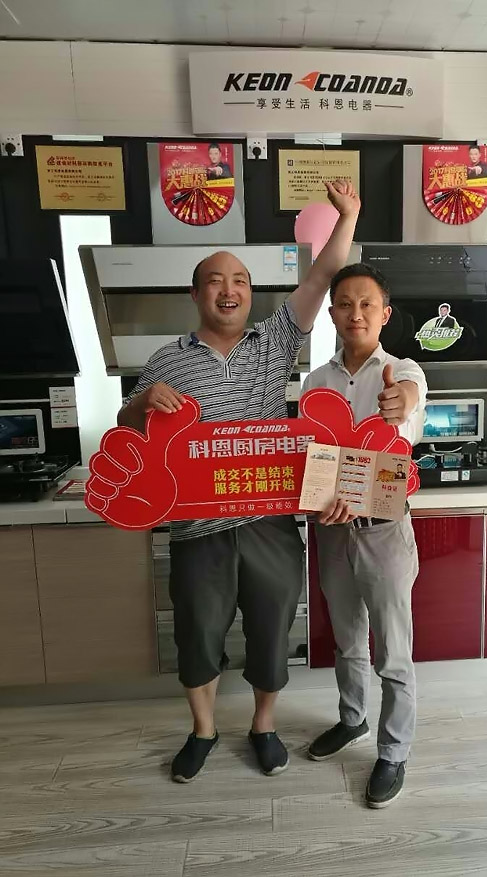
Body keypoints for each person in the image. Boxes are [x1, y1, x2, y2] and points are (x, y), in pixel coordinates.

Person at [117, 180, 360, 783]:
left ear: (251, 294)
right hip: (196, 526)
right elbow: (126, 423)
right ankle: (202, 729)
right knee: (198, 632)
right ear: (195, 293)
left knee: (272, 627)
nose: (229, 290)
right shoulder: (166, 359)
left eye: (241, 282)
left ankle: (263, 725)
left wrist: (348, 217)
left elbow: (322, 276)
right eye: (215, 281)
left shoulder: (275, 342)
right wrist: (142, 400)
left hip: (268, 520)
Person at [302, 262, 427, 809]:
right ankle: (352, 719)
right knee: (348, 639)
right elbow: (312, 456)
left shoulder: (403, 371)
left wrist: (401, 401)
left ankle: (394, 752)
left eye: (367, 304)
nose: (356, 313)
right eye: (345, 304)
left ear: (385, 314)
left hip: (384, 530)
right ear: (332, 314)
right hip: (331, 530)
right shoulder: (315, 382)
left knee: (393, 651)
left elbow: (410, 398)